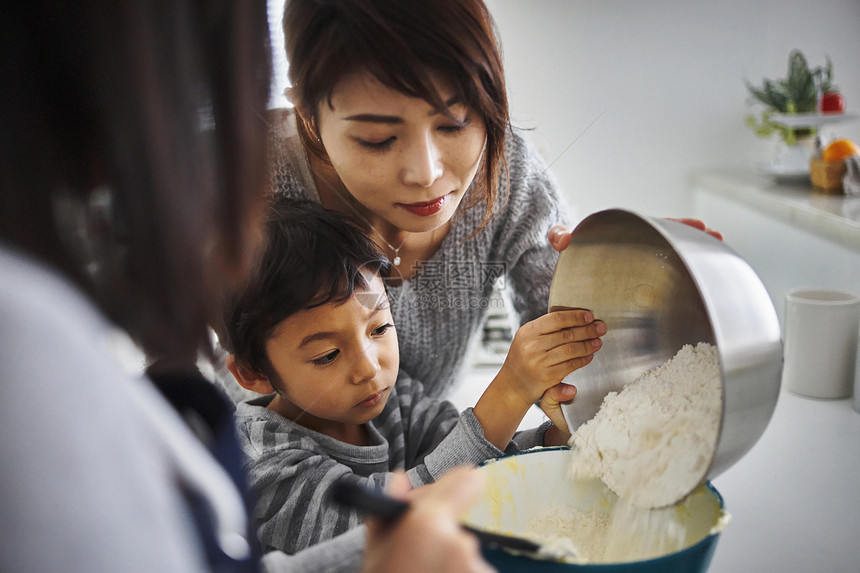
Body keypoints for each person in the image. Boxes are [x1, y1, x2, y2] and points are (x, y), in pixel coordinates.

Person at [0, 2, 493, 572]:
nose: (424, 171)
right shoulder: (29, 357)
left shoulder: (395, 401)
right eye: (378, 138)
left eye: (380, 327)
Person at [256, 0, 720, 403]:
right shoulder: (251, 179)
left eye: (455, 123)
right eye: (377, 139)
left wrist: (634, 293)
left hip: (429, 466)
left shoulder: (511, 176)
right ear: (307, 114)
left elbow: (573, 354)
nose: (426, 173)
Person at [217, 197, 604, 555]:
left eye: (380, 329)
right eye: (328, 355)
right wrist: (512, 389)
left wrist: (556, 434)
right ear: (253, 374)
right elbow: (391, 528)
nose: (369, 368)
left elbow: (483, 460)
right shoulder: (260, 460)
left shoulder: (394, 399)